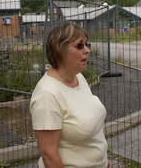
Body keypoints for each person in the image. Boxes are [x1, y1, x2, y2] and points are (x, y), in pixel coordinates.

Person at [30, 22, 109, 168]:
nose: (87, 50)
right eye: (79, 46)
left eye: (86, 44)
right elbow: (49, 155)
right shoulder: (47, 94)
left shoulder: (78, 78)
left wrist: (104, 161)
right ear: (60, 50)